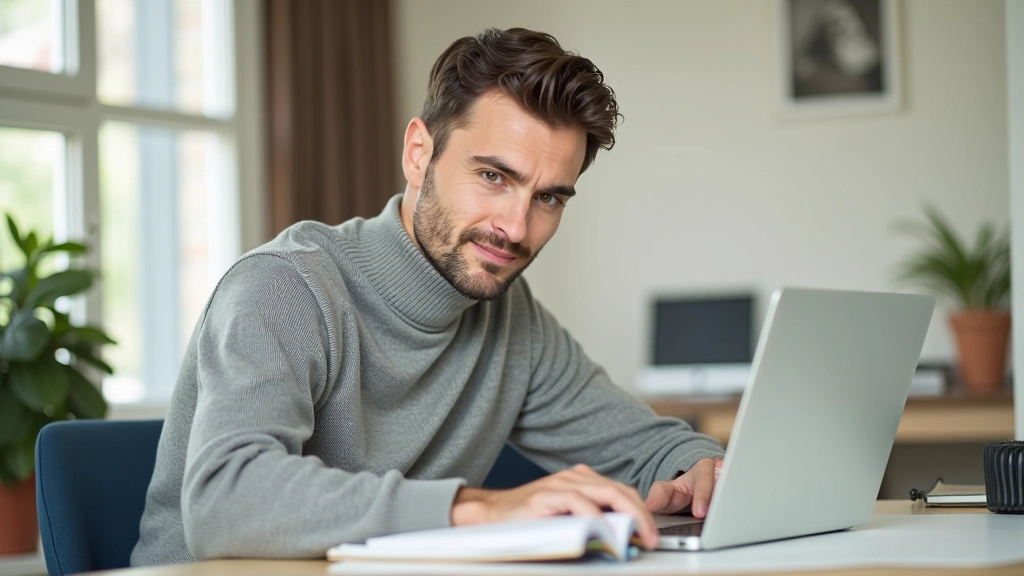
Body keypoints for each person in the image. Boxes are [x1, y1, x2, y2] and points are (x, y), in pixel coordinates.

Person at [131, 27, 725, 566]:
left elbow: (650, 447)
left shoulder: (508, 318)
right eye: (494, 176)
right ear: (420, 154)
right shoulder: (285, 287)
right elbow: (227, 503)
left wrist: (699, 467)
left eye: (548, 198)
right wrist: (479, 510)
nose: (515, 227)